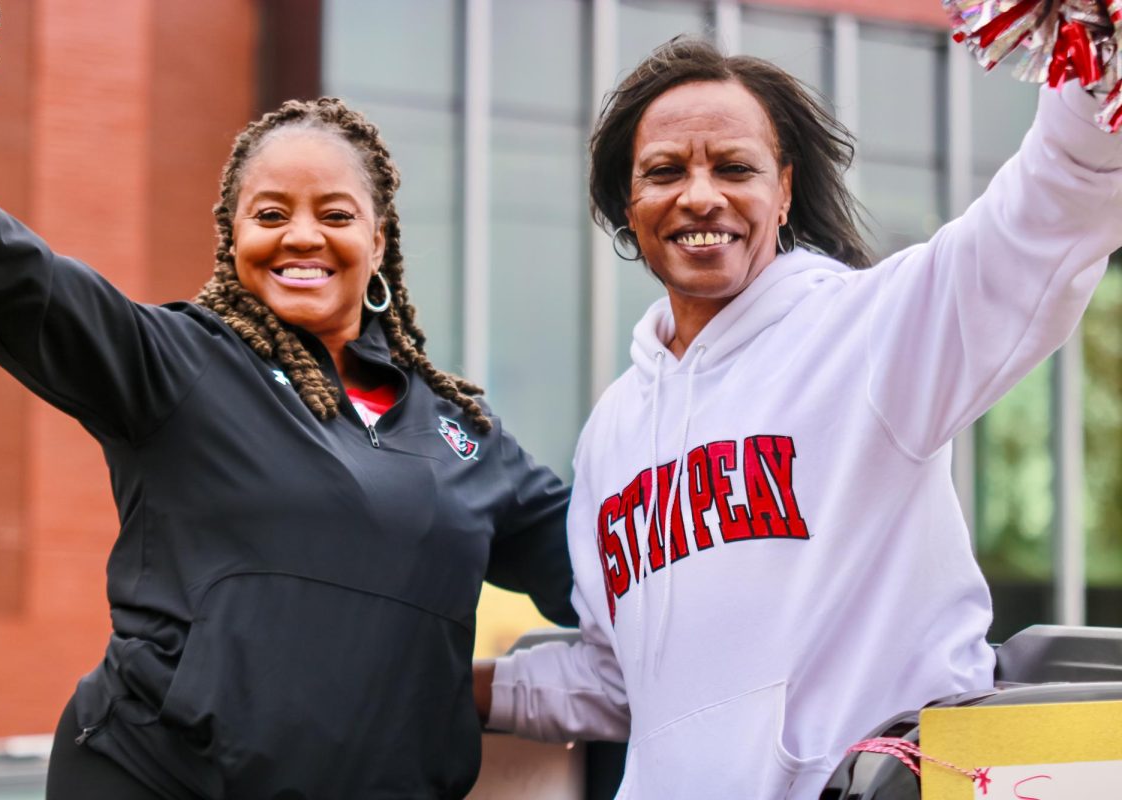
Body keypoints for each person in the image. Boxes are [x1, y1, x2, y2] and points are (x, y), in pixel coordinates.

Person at [477, 36, 1122, 799]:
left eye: (734, 167)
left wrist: (1094, 61)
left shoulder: (871, 331)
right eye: (665, 171)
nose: (700, 195)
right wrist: (453, 680)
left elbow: (1047, 213)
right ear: (629, 204)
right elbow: (623, 682)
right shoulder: (612, 432)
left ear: (783, 192)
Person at [0, 96, 577, 799]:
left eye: (335, 215)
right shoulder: (176, 364)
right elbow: (10, 278)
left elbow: (611, 564)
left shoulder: (467, 439)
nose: (302, 237)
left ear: (378, 240)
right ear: (232, 234)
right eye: (270, 215)